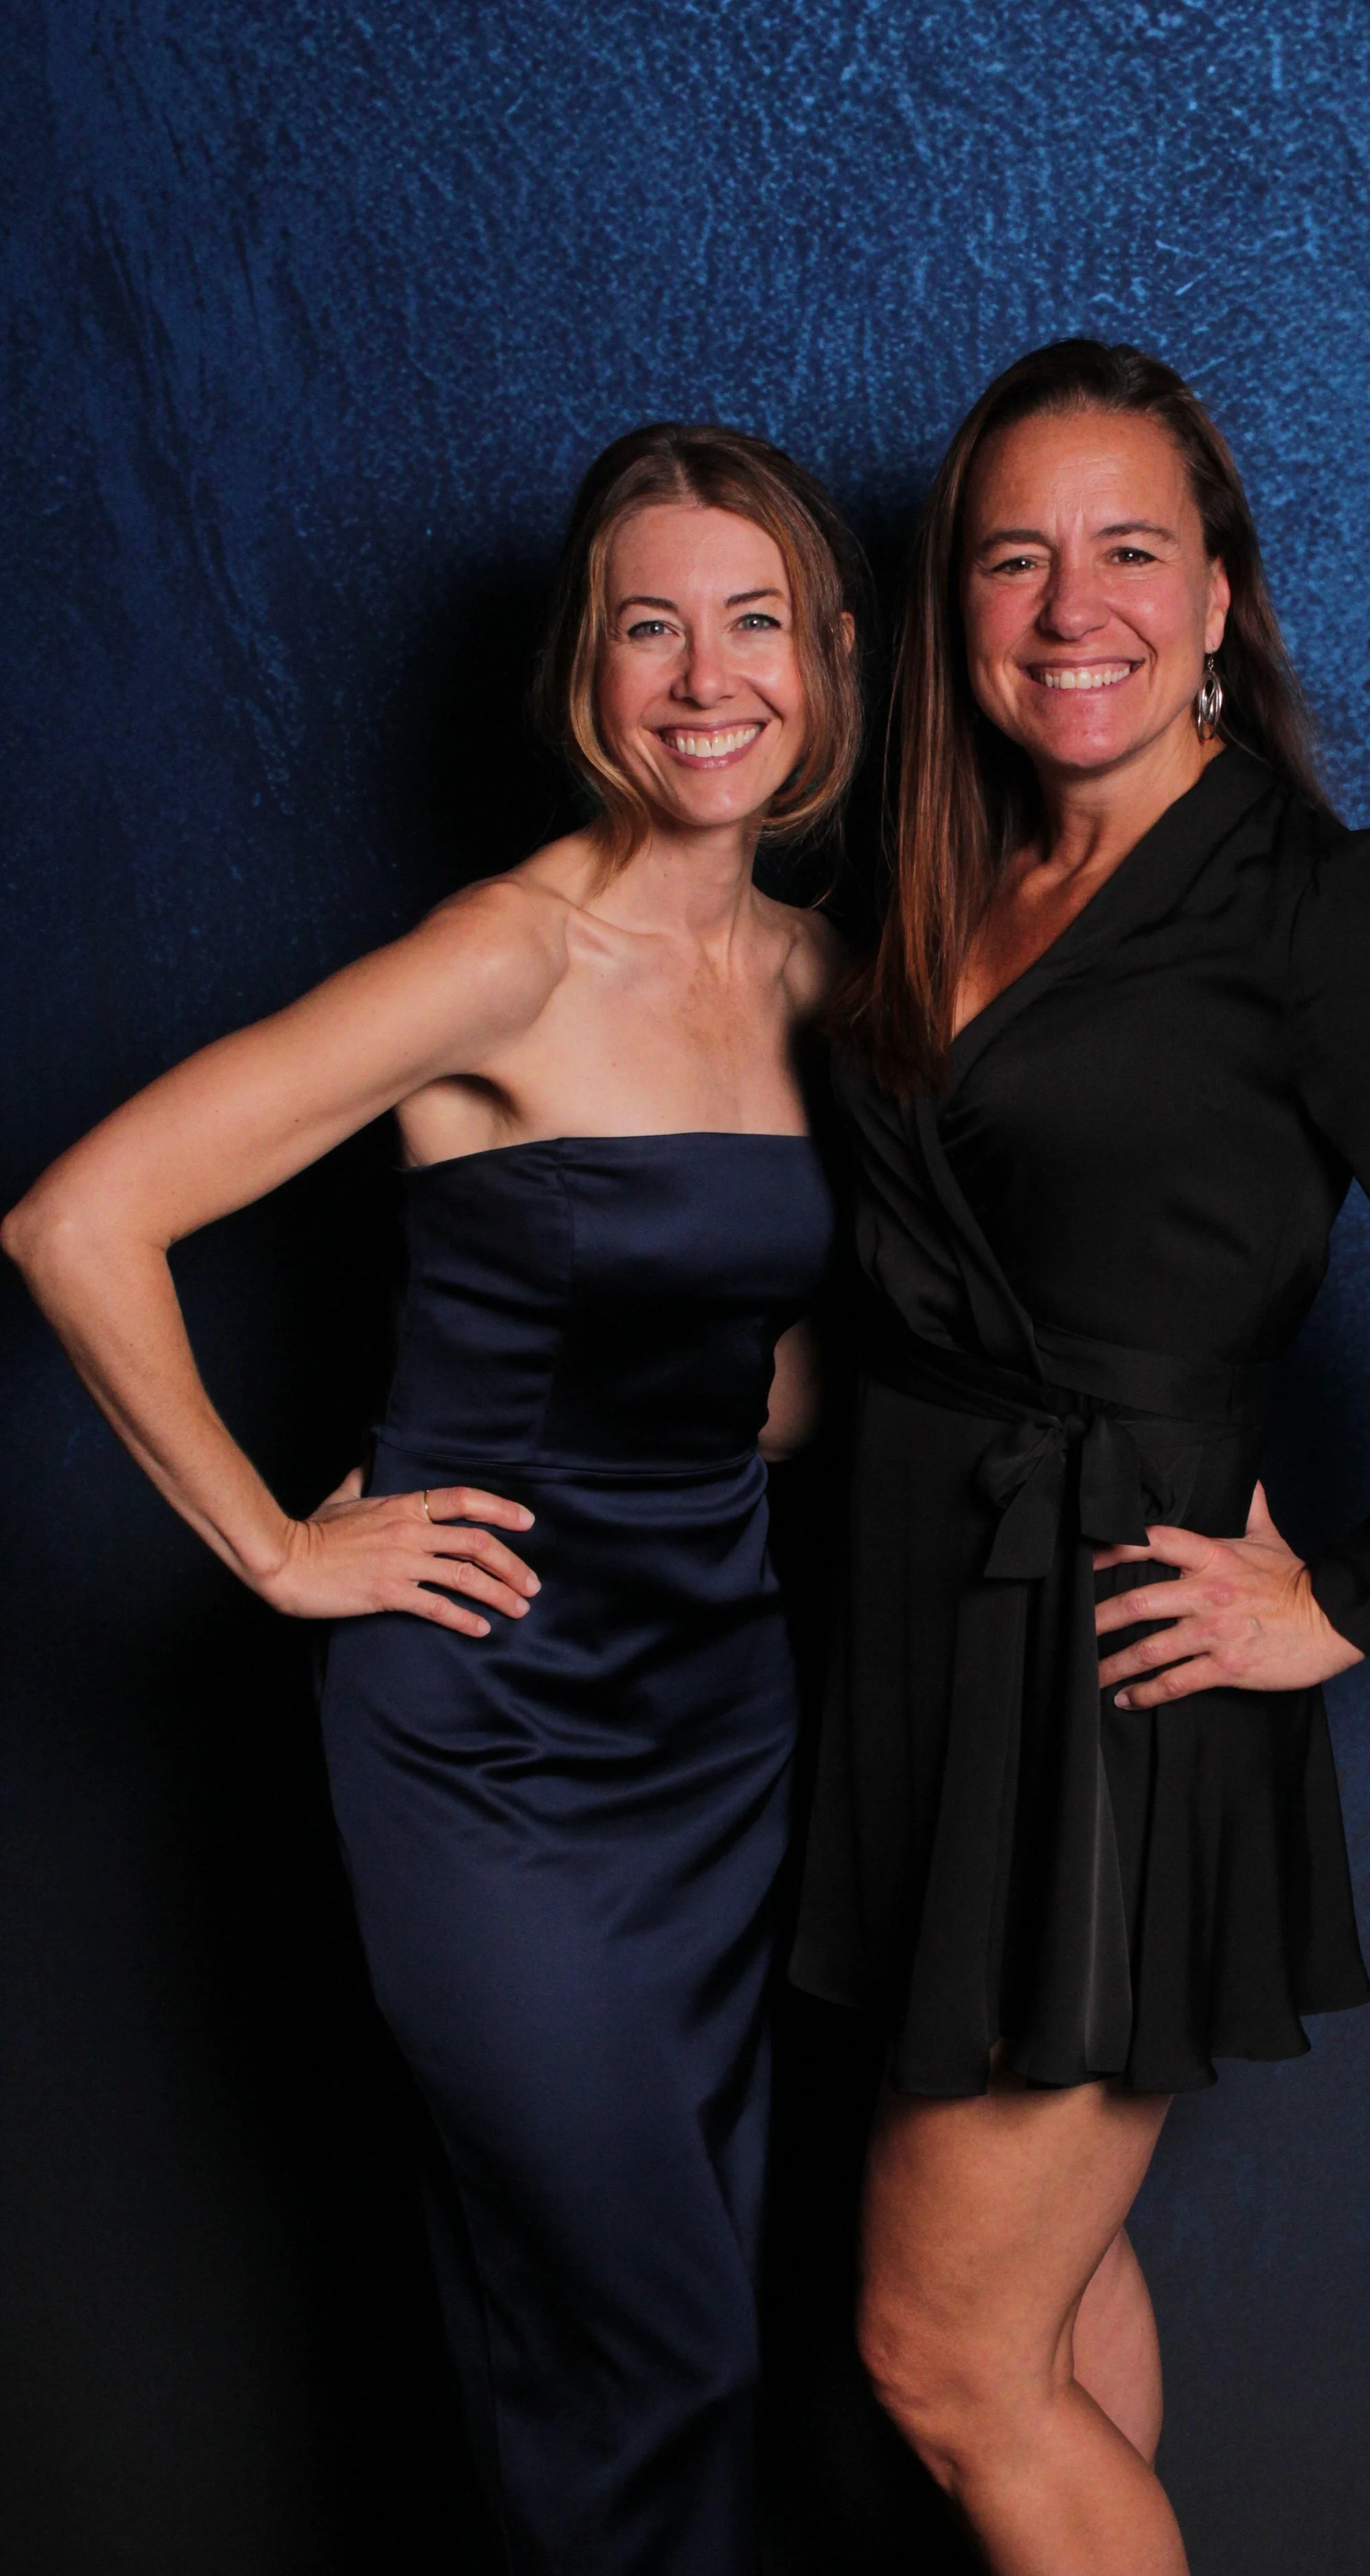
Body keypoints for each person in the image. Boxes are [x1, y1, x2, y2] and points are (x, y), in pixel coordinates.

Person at [788, 340, 1370, 2575]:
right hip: (920, 1649)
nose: (1067, 605)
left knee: (942, 2358)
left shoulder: (1311, 906)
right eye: (1013, 558)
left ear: (1218, 600)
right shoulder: (970, 871)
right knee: (1063, 2290)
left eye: (1127, 552)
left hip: (1097, 1680)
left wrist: (1359, 1596)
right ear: (952, 609)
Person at [3, 420, 865, 2576]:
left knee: (684, 2331)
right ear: (586, 673)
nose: (704, 677)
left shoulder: (822, 983)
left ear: (827, 662)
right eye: (647, 626)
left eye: (752, 621)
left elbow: (770, 1388)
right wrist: (285, 1547)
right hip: (483, 1730)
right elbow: (81, 1220)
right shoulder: (504, 956)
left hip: (721, 1724)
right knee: (647, 2331)